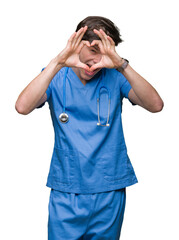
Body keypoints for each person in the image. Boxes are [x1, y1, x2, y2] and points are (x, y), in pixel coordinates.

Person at [15, 16, 164, 240]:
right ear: (79, 44)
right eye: (93, 52)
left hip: (109, 188)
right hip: (67, 190)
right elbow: (22, 106)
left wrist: (121, 64)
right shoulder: (56, 76)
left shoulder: (115, 76)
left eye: (105, 54)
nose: (96, 64)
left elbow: (156, 105)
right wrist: (59, 61)